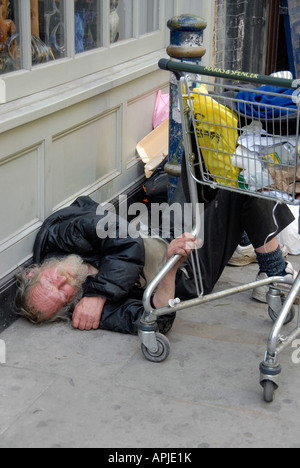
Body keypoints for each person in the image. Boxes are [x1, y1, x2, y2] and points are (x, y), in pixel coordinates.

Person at [14, 186, 297, 335]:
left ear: (32, 273)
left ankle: (243, 239)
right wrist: (171, 266)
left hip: (160, 230)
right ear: (67, 306)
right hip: (187, 270)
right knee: (238, 184)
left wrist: (100, 293)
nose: (64, 282)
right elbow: (154, 322)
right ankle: (273, 272)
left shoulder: (63, 234)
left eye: (52, 281)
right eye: (63, 295)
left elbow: (126, 240)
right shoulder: (81, 305)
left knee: (207, 165)